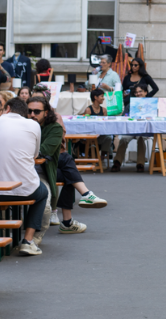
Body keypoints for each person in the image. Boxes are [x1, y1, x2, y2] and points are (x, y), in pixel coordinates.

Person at [28, 97, 106, 237]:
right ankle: (75, 210)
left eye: (36, 111)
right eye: (29, 111)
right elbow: (44, 151)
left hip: (43, 166)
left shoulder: (53, 126)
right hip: (31, 168)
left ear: (46, 112)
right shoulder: (23, 125)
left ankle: (69, 219)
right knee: (67, 162)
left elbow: (47, 150)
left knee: (68, 171)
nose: (32, 114)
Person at [0, 98, 48, 257]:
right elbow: (35, 155)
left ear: (8, 108)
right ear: (25, 112)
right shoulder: (34, 125)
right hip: (26, 188)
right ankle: (28, 241)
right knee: (43, 192)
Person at [112, 85, 149, 172]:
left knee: (141, 139)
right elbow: (123, 117)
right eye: (136, 92)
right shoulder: (130, 104)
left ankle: (140, 163)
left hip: (144, 131)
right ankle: (117, 162)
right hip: (131, 130)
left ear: (145, 92)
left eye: (140, 91)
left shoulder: (150, 104)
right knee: (124, 139)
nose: (138, 94)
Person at [83, 89, 112, 164]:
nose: (103, 98)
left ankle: (102, 155)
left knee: (109, 137)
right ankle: (95, 155)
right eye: (102, 96)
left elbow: (106, 124)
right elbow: (86, 124)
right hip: (91, 134)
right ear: (95, 97)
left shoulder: (104, 110)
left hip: (101, 134)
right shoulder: (88, 110)